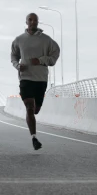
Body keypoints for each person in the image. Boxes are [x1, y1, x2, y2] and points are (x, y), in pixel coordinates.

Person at [10, 12, 60, 151]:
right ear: (26, 22)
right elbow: (13, 56)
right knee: (29, 107)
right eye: (30, 20)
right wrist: (17, 65)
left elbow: (55, 54)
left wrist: (41, 60)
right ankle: (34, 137)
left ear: (38, 22)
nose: (32, 22)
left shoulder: (46, 40)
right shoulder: (19, 40)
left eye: (35, 20)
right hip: (25, 78)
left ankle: (34, 130)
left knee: (36, 109)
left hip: (40, 79)